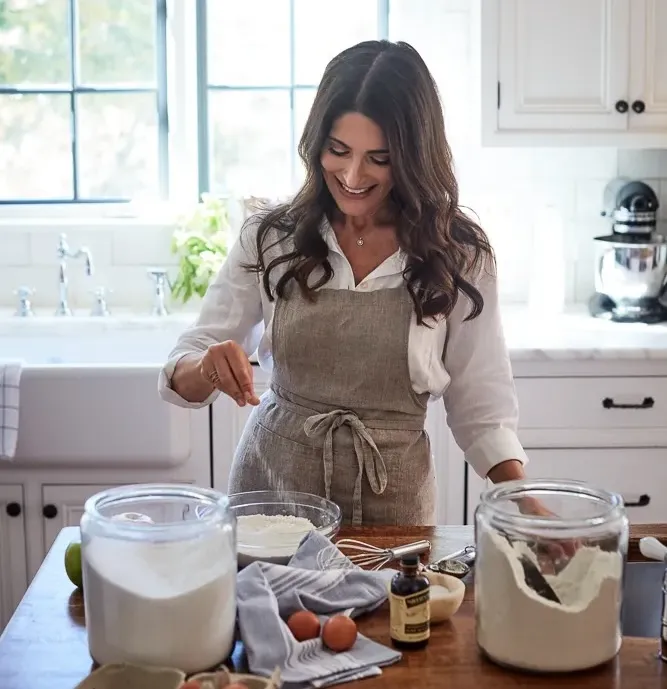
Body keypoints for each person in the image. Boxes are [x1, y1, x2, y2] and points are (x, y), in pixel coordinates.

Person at [159, 39, 529, 526]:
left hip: (392, 505)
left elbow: (481, 408)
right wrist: (207, 366)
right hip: (270, 498)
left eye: (379, 157)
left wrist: (524, 503)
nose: (353, 175)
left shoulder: (459, 253)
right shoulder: (271, 237)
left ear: (415, 156)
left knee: (392, 606)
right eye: (338, 150)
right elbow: (180, 371)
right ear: (317, 144)